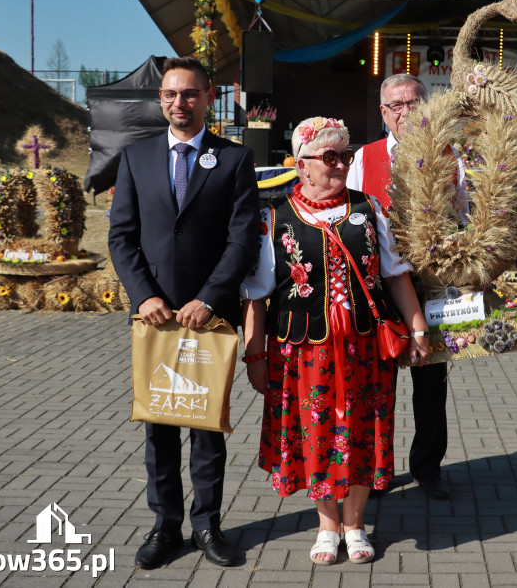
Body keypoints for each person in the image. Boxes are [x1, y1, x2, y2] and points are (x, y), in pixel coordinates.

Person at [241, 117, 431, 565]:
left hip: (364, 349)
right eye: (330, 157)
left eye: (344, 156)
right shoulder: (275, 216)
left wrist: (419, 328)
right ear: (301, 165)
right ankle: (327, 524)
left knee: (363, 431)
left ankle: (356, 523)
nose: (341, 165)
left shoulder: (369, 210)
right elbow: (257, 295)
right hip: (301, 352)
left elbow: (397, 276)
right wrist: (254, 354)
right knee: (316, 435)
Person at [108, 56, 260, 570]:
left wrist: (211, 297)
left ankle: (207, 524)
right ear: (160, 99)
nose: (180, 102)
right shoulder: (135, 158)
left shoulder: (235, 159)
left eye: (191, 94)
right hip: (154, 318)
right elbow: (121, 236)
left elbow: (243, 240)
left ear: (209, 96)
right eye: (172, 94)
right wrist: (144, 295)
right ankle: (165, 525)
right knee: (160, 426)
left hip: (209, 318)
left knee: (206, 423)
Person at [345, 73, 467, 500]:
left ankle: (428, 467)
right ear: (383, 113)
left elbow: (466, 218)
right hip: (376, 288)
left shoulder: (451, 157)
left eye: (414, 103)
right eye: (395, 106)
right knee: (377, 384)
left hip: (430, 286)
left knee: (431, 382)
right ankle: (376, 470)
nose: (405, 112)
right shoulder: (363, 157)